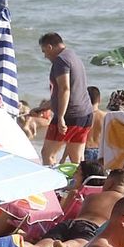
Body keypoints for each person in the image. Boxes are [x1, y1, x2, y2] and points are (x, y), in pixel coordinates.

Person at [25, 168, 124, 247]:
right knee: (80, 244)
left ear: (110, 183)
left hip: (69, 223)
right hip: (90, 227)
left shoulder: (91, 196)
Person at [38, 32, 94, 166]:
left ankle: (51, 180)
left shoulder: (60, 60)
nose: (45, 56)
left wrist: (61, 117)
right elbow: (71, 91)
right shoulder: (73, 57)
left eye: (44, 51)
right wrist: (43, 108)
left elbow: (65, 89)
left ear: (50, 47)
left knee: (47, 154)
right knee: (77, 159)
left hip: (70, 115)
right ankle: (81, 180)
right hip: (85, 114)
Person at [87, 86, 106, 157]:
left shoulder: (82, 117)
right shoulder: (105, 116)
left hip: (85, 149)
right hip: (101, 150)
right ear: (99, 100)